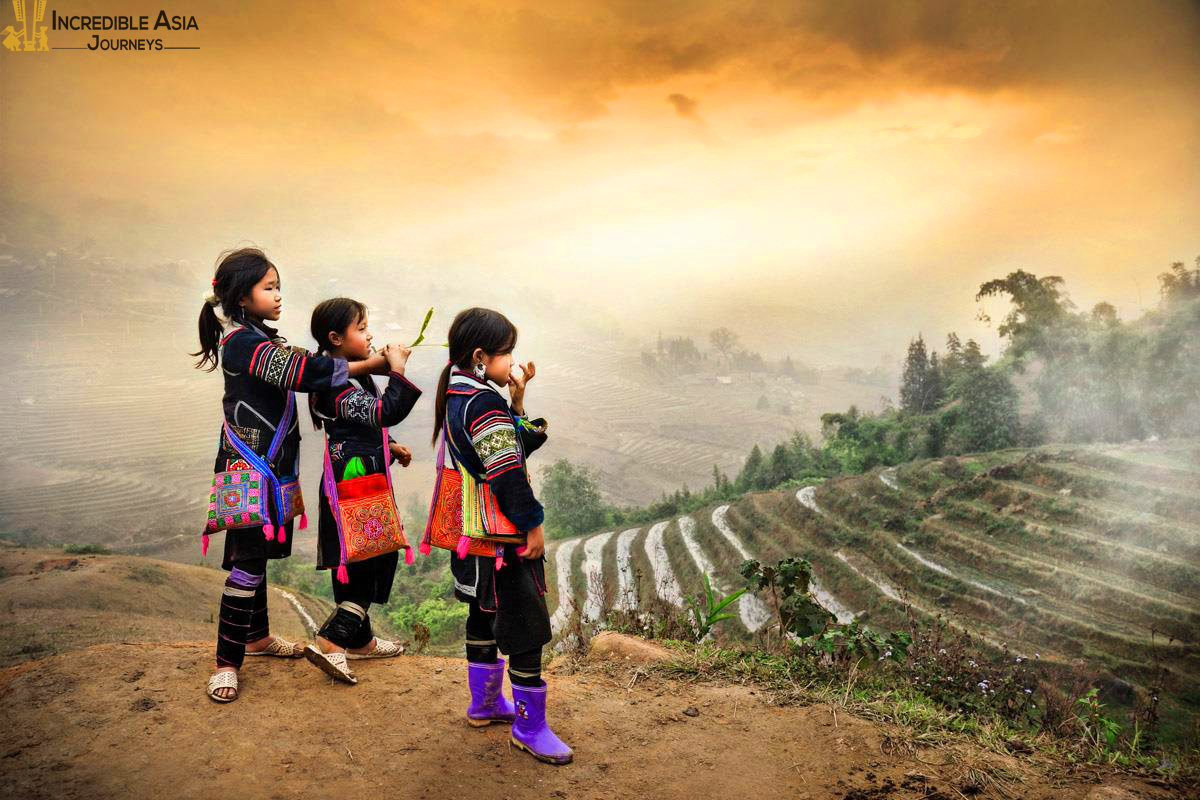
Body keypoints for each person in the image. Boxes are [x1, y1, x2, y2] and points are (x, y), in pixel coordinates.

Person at [192, 248, 390, 702]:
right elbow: (306, 372)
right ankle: (226, 664)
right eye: (269, 287)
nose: (279, 296)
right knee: (245, 567)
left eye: (278, 286)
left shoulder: (259, 337)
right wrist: (376, 365)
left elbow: (306, 367)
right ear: (242, 296)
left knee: (256, 558)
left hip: (269, 468)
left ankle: (257, 639)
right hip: (248, 468)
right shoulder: (243, 342)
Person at [426, 306, 570, 764]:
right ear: (481, 355)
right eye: (508, 353)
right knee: (525, 624)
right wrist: (533, 524)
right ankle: (530, 725)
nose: (513, 362)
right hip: (500, 539)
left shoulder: (457, 395)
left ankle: (485, 703)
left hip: (471, 538)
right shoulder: (483, 403)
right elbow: (507, 472)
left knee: (482, 615)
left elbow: (507, 441)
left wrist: (519, 403)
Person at [304, 297, 421, 684]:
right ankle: (333, 639)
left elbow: (363, 429)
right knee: (367, 561)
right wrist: (399, 371)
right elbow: (380, 412)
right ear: (336, 338)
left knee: (369, 557)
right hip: (350, 491)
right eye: (362, 327)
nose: (370, 334)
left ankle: (362, 641)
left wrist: (390, 447)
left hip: (361, 482)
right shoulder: (332, 388)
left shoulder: (350, 379)